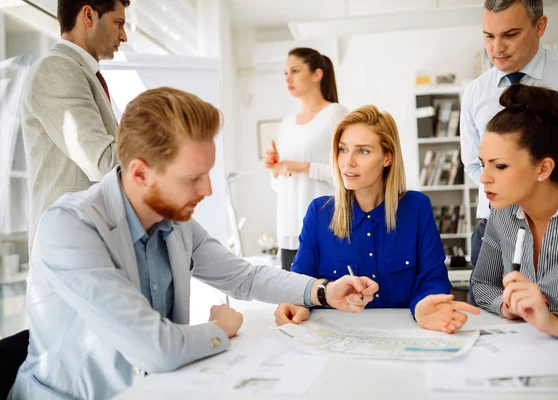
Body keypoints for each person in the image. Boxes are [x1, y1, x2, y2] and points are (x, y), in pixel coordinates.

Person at [9, 88, 379, 399]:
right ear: (140, 172)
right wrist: (219, 329)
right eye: (194, 178)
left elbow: (244, 277)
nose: (208, 190)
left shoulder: (174, 221)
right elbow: (155, 348)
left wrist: (322, 291)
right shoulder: (69, 227)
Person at [274, 105, 479, 333]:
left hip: (406, 338)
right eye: (343, 149)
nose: (347, 162)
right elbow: (300, 283)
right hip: (340, 341)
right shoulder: (319, 213)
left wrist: (425, 306)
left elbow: (433, 278)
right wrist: (297, 304)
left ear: (387, 157)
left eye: (362, 151)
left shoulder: (416, 208)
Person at [460, 0, 558, 279]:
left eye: (510, 35)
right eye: (489, 36)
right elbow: (473, 165)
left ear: (540, 26)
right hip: (493, 228)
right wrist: (509, 194)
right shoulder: (475, 93)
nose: (497, 48)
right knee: (493, 309)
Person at [471, 84, 558, 352]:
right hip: (523, 357)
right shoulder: (502, 214)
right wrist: (506, 305)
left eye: (500, 166)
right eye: (483, 164)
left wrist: (555, 323)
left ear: (543, 168)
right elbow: (482, 285)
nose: (484, 177)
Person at [21, 0, 129, 249]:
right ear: (89, 15)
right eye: (118, 23)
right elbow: (105, 163)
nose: (123, 36)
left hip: (87, 247)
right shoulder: (56, 69)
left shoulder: (83, 74)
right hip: (67, 253)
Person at [262, 47, 349, 271]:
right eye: (285, 73)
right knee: (292, 303)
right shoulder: (287, 123)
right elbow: (280, 186)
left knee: (331, 301)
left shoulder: (336, 114)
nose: (287, 78)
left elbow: (347, 173)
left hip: (325, 227)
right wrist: (275, 170)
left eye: (294, 71)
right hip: (289, 231)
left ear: (317, 74)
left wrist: (303, 167)